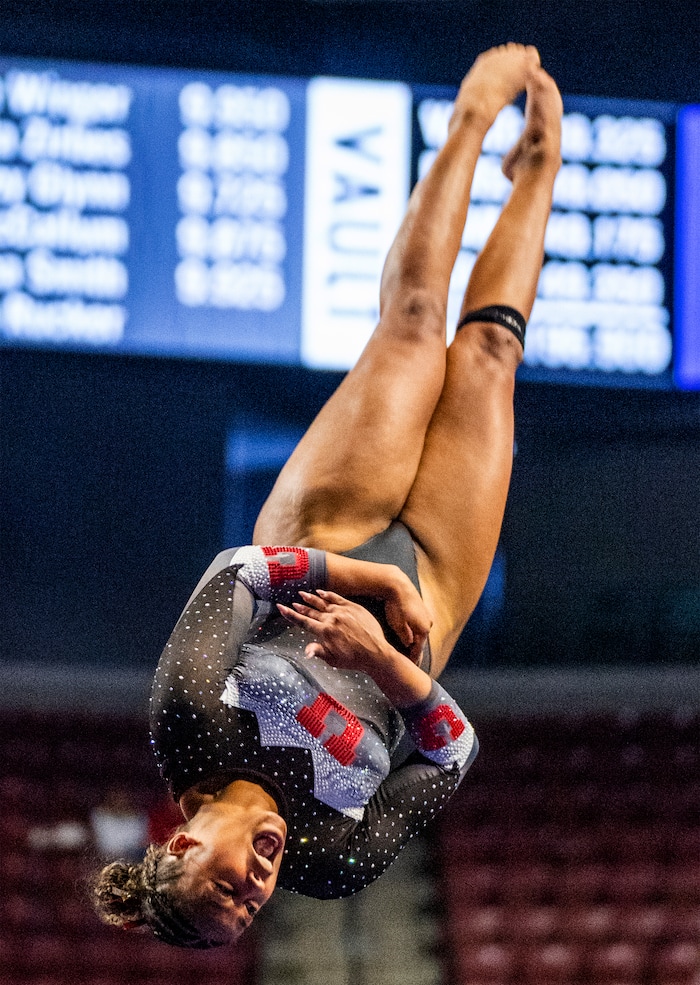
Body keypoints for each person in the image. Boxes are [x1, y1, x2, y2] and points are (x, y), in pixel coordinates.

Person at [92, 44, 563, 948]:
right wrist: (387, 662)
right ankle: (538, 167)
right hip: (433, 597)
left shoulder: (186, 724)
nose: (253, 893)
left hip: (326, 527)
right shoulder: (330, 854)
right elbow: (453, 749)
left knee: (419, 323)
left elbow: (235, 572)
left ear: (184, 839)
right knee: (491, 356)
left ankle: (468, 119)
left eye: (221, 891)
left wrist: (361, 582)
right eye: (245, 914)